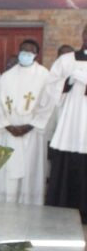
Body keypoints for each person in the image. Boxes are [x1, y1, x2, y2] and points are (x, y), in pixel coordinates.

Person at [0, 39, 54, 205]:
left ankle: (29, 206)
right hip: (9, 132)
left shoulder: (45, 76)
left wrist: (29, 126)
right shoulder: (7, 76)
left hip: (32, 132)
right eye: (23, 51)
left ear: (36, 55)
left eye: (29, 52)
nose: (25, 54)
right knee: (7, 170)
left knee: (30, 170)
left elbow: (48, 104)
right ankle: (5, 205)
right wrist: (8, 126)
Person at [46, 26, 87, 221]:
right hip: (71, 123)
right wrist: (69, 82)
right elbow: (50, 85)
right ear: (83, 34)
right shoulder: (66, 60)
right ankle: (62, 209)